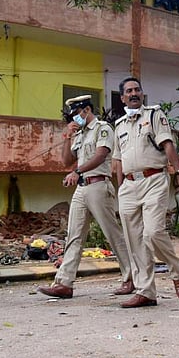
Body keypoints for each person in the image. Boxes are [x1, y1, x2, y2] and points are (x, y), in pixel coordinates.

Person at [37, 96, 134, 299]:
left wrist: (77, 172)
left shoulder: (103, 128)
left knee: (112, 234)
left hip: (99, 185)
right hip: (82, 188)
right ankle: (64, 283)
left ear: (86, 110)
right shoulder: (79, 134)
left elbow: (100, 155)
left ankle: (131, 277)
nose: (75, 118)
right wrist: (67, 137)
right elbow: (66, 161)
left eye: (76, 114)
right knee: (73, 235)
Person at [111, 77, 179, 308]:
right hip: (128, 185)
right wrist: (120, 188)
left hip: (154, 179)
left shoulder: (154, 115)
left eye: (137, 89)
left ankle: (178, 273)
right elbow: (117, 161)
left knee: (153, 232)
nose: (134, 93)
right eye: (129, 91)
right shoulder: (119, 125)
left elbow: (168, 145)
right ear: (122, 97)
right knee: (134, 240)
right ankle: (145, 291)